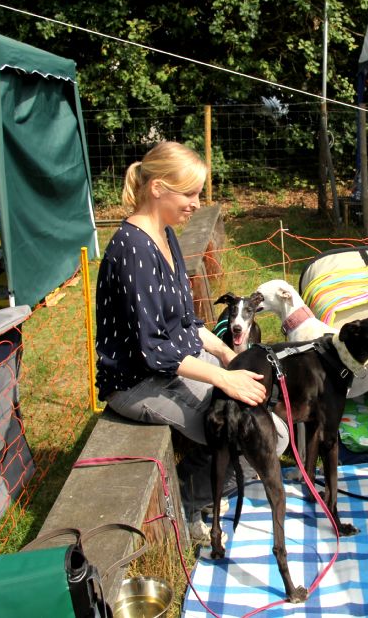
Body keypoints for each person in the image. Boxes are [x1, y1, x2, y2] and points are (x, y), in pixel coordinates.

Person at [93, 141, 288, 544]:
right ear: (158, 188)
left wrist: (223, 353)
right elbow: (153, 349)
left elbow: (184, 319)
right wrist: (224, 381)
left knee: (272, 429)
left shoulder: (165, 235)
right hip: (138, 382)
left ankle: (195, 488)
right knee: (255, 441)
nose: (198, 203)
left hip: (179, 363)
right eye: (191, 193)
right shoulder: (132, 250)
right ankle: (184, 502)